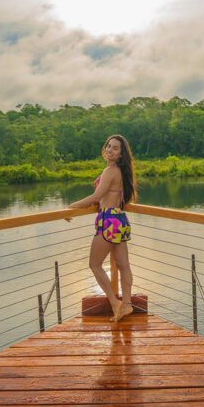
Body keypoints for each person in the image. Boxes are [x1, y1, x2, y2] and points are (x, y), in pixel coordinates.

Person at [68, 134, 137, 323]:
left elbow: (96, 196)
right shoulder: (122, 171)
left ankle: (115, 303)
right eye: (108, 146)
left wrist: (71, 207)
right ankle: (127, 304)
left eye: (115, 148)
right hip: (120, 219)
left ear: (121, 154)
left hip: (108, 221)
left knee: (94, 264)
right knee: (123, 265)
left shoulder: (111, 171)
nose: (109, 150)